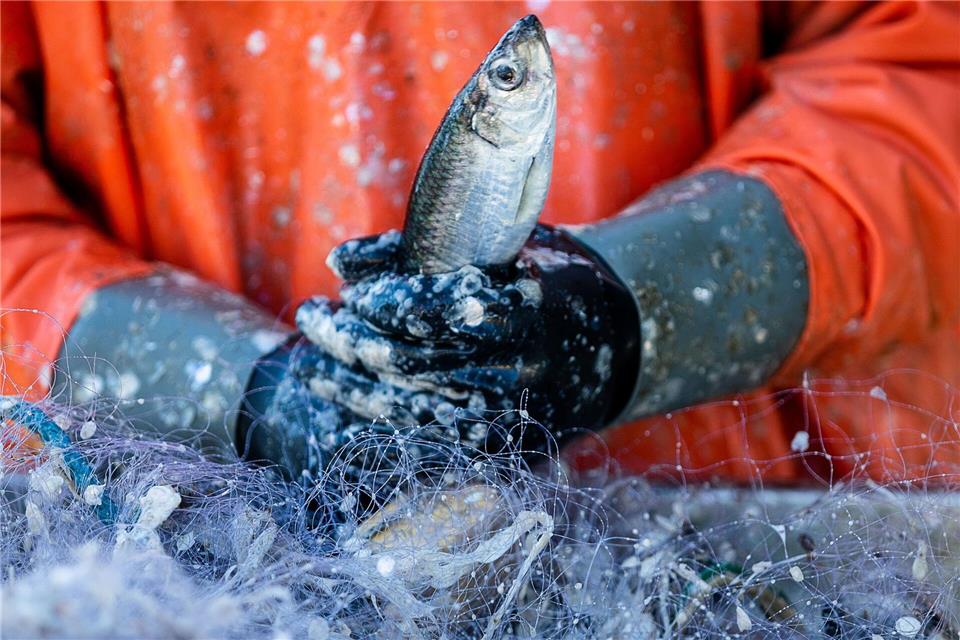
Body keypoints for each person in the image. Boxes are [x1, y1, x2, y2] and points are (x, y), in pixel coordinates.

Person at [2, 2, 957, 483]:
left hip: (731, 529)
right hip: (186, 553)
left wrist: (634, 308)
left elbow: (920, 71)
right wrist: (245, 393)